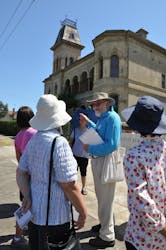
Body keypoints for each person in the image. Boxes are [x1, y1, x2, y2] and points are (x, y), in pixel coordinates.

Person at [16, 94, 87, 250]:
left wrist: (27, 195)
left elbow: (20, 172)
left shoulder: (34, 139)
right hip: (55, 218)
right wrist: (82, 212)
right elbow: (69, 185)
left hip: (35, 216)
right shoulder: (59, 142)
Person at [121, 96, 166, 250]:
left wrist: (162, 227)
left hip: (142, 237)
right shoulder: (164, 148)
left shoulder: (133, 155)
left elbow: (141, 200)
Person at [79, 92, 122, 248]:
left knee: (105, 199)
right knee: (104, 198)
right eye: (93, 104)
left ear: (107, 103)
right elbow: (99, 132)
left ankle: (107, 236)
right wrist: (89, 122)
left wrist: (89, 147)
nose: (94, 106)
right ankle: (106, 224)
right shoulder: (105, 117)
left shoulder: (112, 118)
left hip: (105, 161)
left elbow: (112, 145)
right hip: (101, 161)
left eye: (97, 104)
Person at [11, 106, 37, 249]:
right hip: (33, 176)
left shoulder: (18, 135)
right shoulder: (35, 133)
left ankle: (18, 234)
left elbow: (18, 158)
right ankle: (17, 236)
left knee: (25, 205)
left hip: (22, 175)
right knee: (28, 207)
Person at [70, 118, 89, 195]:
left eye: (83, 120)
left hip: (84, 156)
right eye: (80, 120)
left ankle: (83, 188)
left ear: (86, 121)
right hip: (75, 155)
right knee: (73, 172)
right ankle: (73, 187)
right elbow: (71, 141)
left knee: (83, 173)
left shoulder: (89, 131)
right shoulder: (75, 130)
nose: (81, 121)